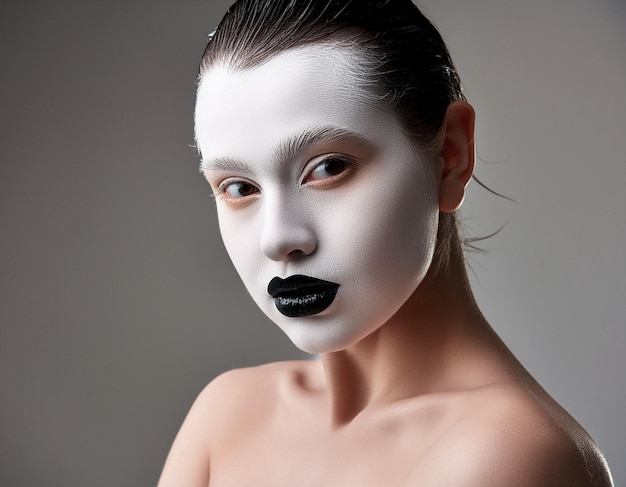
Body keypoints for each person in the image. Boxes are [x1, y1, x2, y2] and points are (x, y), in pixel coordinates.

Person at [159, 1, 613, 485]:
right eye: (238, 188)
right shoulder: (226, 415)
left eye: (329, 167)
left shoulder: (514, 455)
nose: (279, 239)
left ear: (453, 154)